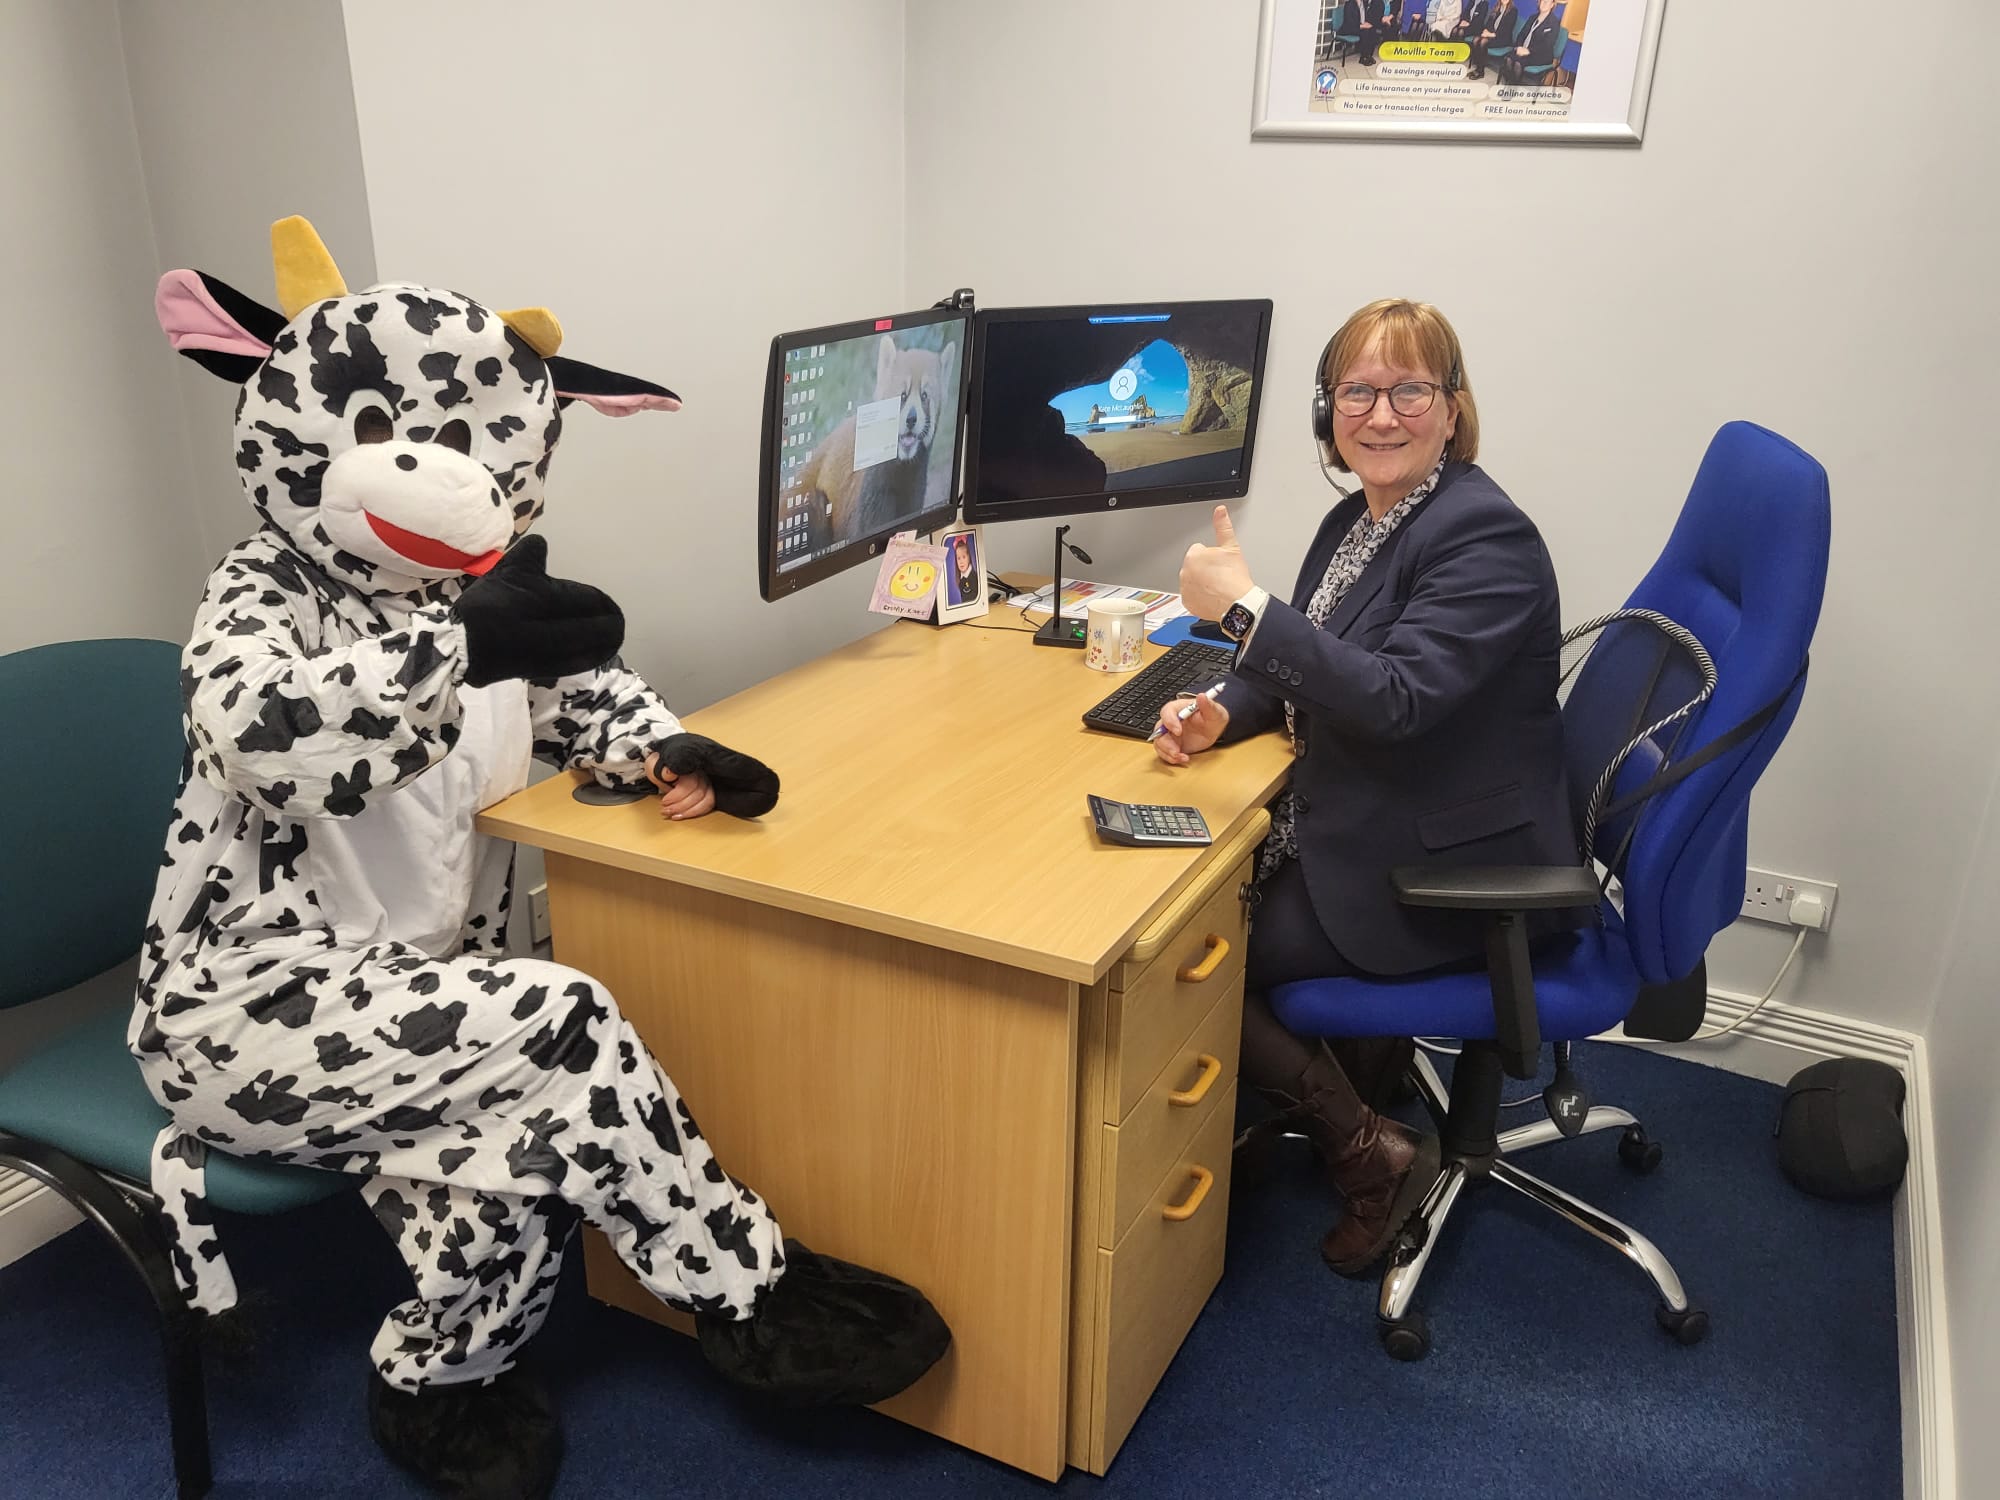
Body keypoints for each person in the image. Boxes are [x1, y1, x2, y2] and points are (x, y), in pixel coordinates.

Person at [1158, 298, 1577, 1276]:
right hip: (1382, 811)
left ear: (1450, 408)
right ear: (1326, 413)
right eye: (1355, 391)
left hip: (1446, 868)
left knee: (1199, 953)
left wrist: (1247, 612)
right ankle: (1361, 1073)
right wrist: (1223, 707)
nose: (1378, 415)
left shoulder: (1484, 539)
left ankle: (1367, 1156)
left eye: (1407, 390)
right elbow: (1306, 661)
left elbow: (1393, 699)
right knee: (1196, 893)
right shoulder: (1366, 515)